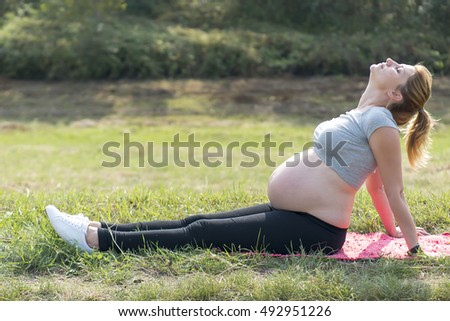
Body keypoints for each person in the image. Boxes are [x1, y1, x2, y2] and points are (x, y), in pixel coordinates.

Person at [45, 58, 434, 256]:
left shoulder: (381, 123)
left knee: (202, 234)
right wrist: (390, 232)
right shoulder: (366, 115)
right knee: (195, 221)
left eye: (397, 69)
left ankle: (96, 241)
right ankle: (98, 226)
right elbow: (375, 185)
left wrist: (413, 246)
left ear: (395, 94)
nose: (388, 62)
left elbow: (391, 189)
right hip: (298, 215)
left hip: (316, 230)